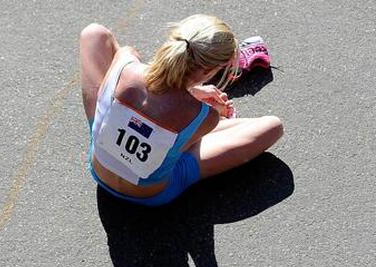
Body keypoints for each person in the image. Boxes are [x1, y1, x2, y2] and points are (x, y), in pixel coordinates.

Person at [80, 14, 284, 206]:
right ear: (207, 71)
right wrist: (206, 108)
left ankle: (104, 125)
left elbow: (149, 93)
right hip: (150, 194)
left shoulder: (126, 61)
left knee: (94, 33)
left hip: (100, 167)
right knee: (273, 126)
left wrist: (190, 93)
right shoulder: (204, 116)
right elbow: (171, 147)